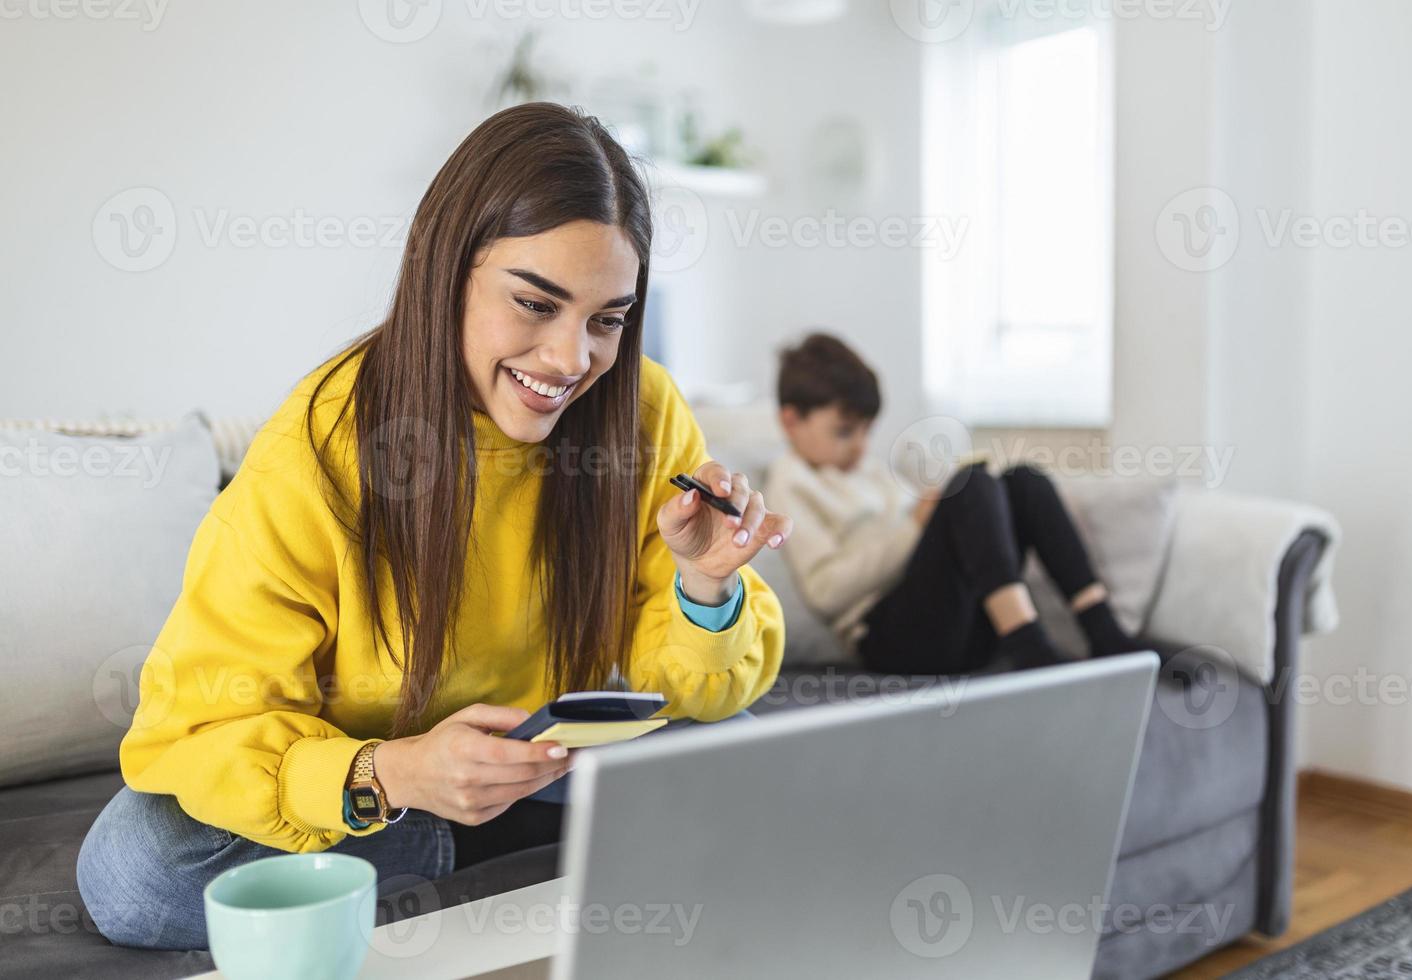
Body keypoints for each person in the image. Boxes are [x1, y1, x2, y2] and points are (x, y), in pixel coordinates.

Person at [75, 102, 793, 951]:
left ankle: (478, 844)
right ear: (444, 270)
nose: (572, 360)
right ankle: (472, 845)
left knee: (754, 757)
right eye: (534, 303)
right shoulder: (319, 442)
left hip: (549, 762)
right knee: (137, 864)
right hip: (379, 787)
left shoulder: (638, 410)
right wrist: (395, 771)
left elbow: (689, 685)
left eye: (607, 320)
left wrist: (705, 584)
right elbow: (196, 728)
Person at [764, 333, 1136, 676]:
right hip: (891, 638)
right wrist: (917, 525)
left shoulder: (869, 470)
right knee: (969, 484)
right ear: (791, 420)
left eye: (866, 431)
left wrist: (936, 512)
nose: (860, 445)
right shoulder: (790, 484)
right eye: (844, 432)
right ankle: (1028, 645)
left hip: (956, 624)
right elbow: (825, 592)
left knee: (1023, 481)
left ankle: (1104, 631)